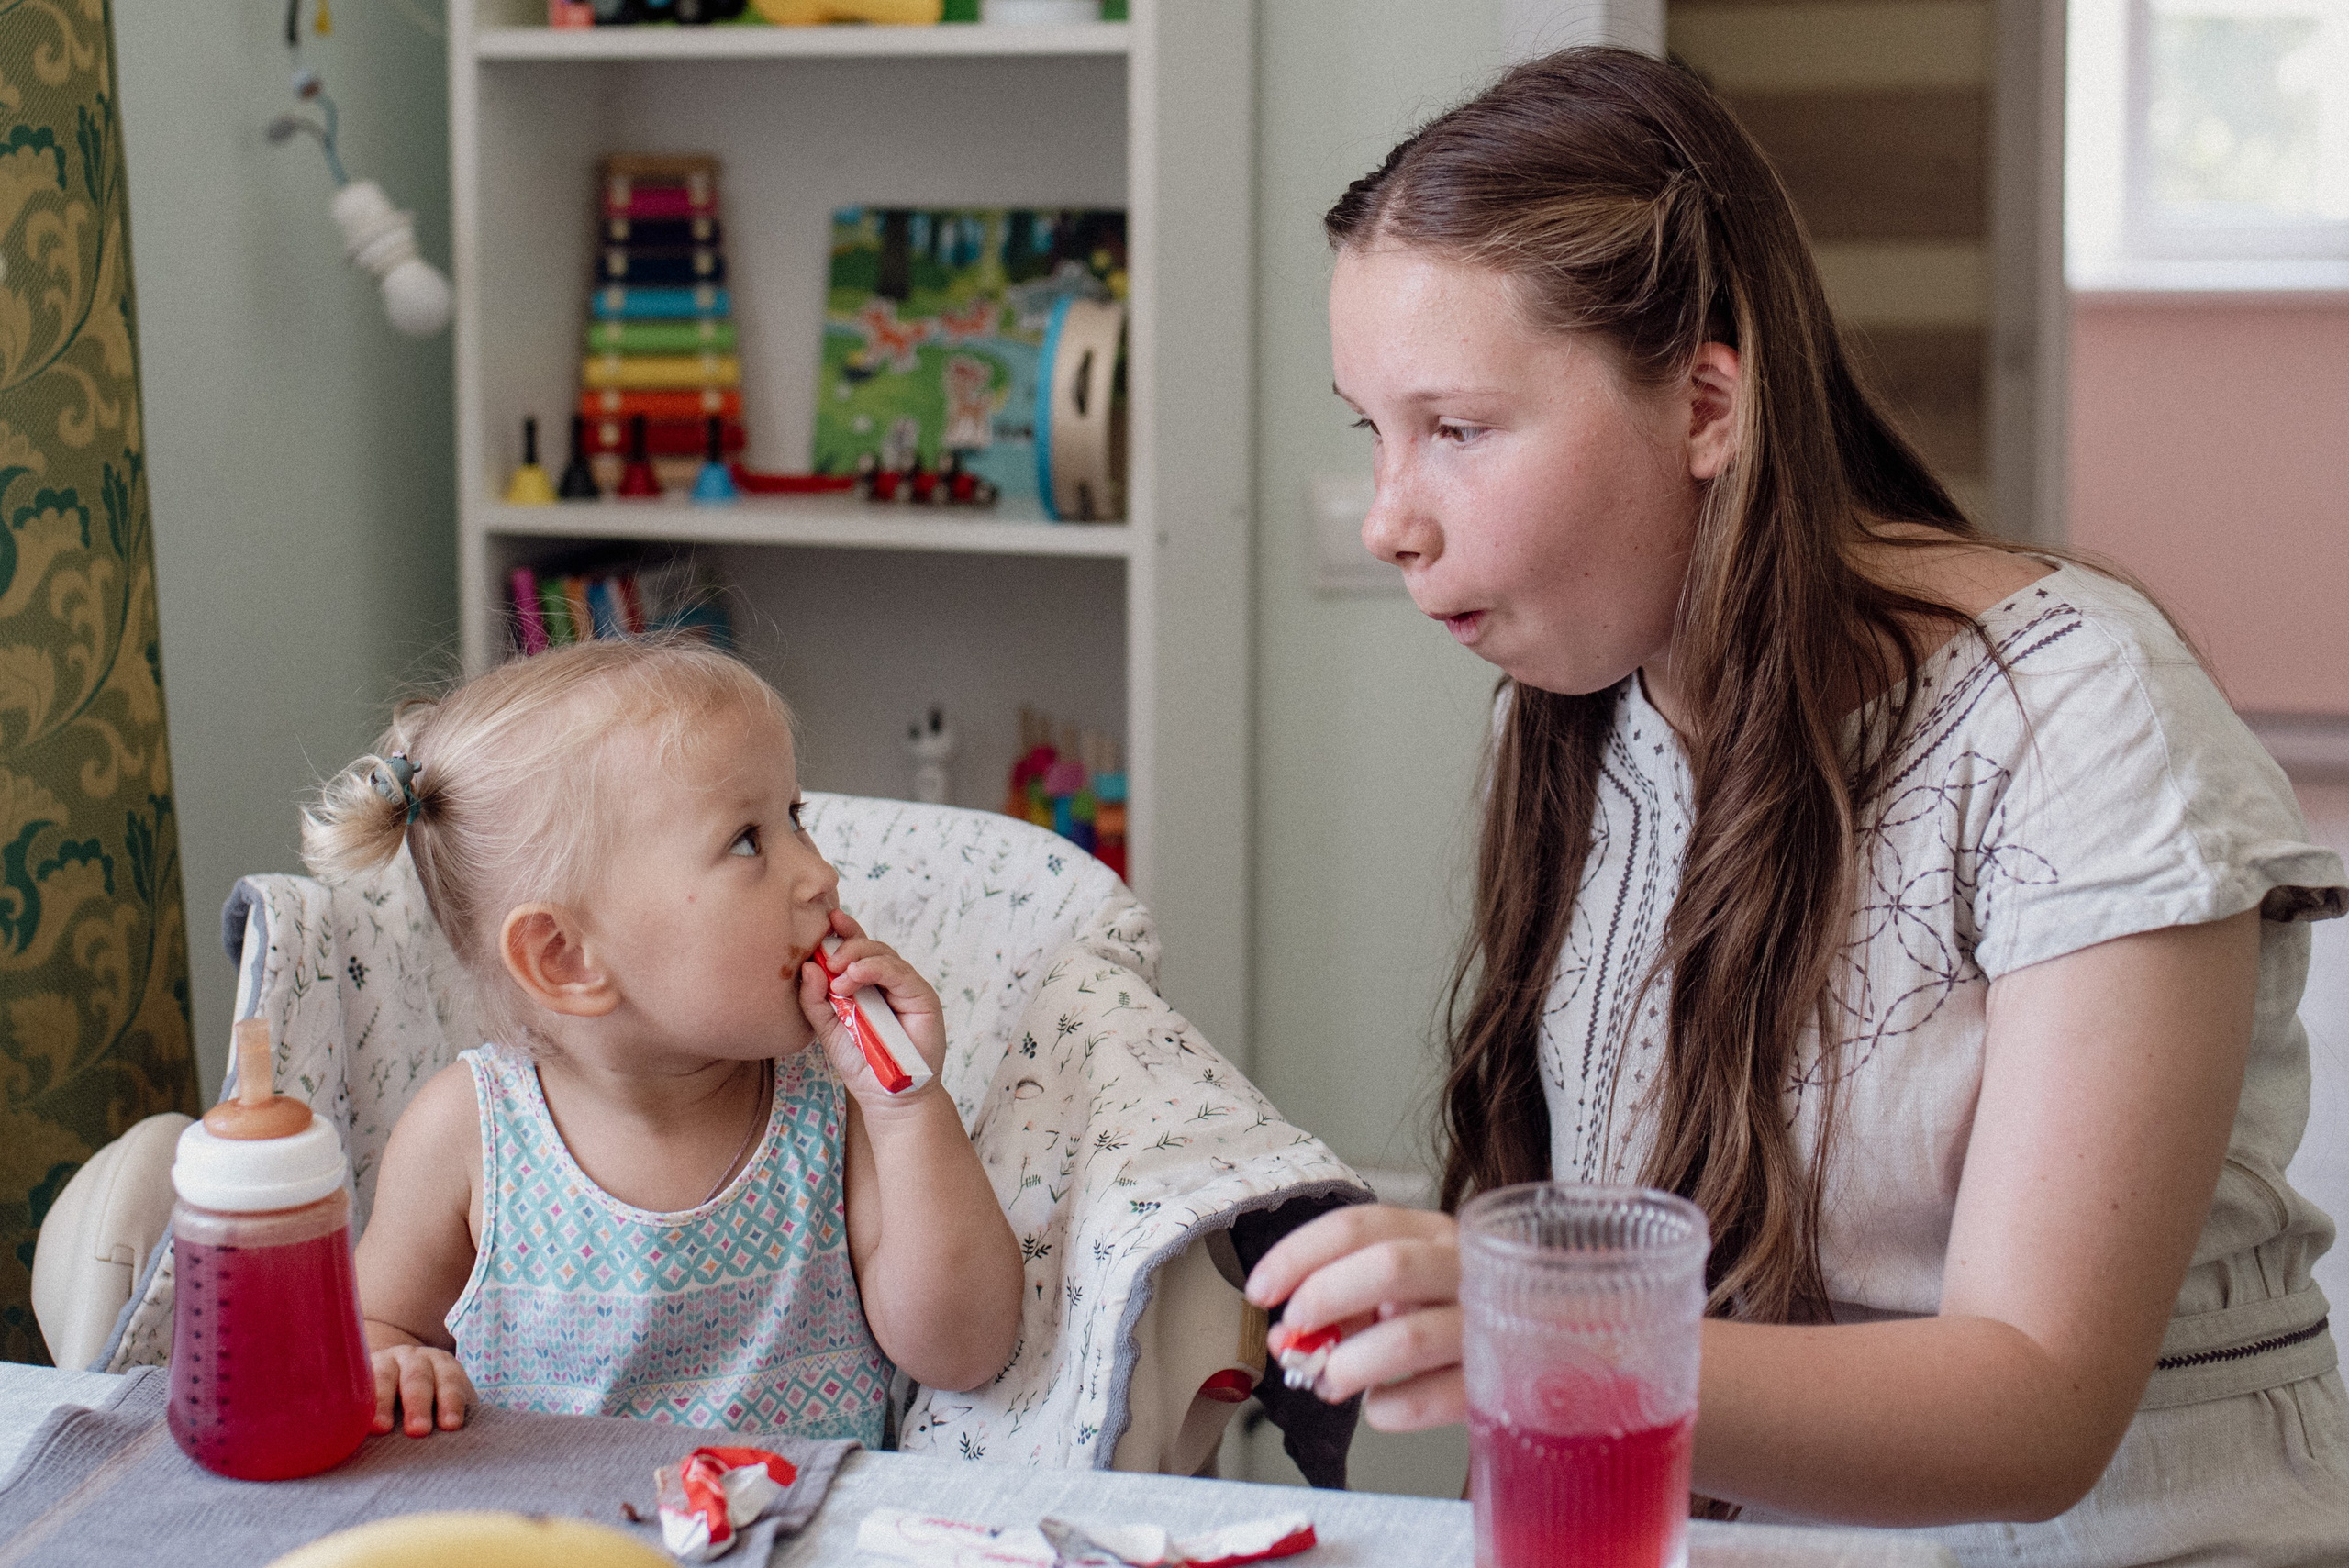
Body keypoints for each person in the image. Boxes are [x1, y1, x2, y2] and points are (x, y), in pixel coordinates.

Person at [1243, 47, 2348, 1566]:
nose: (1386, 517)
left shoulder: (2088, 722)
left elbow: (2039, 1404)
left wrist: (1534, 1327)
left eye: (1459, 428)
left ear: (1707, 401)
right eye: (1371, 429)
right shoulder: (1574, 717)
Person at [303, 638, 1022, 1445]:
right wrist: (397, 1359)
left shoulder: (833, 1103)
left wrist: (905, 1102)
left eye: (795, 818)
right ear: (567, 958)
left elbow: (966, 1350)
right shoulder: (465, 1135)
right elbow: (369, 1324)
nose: (819, 872)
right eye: (748, 840)